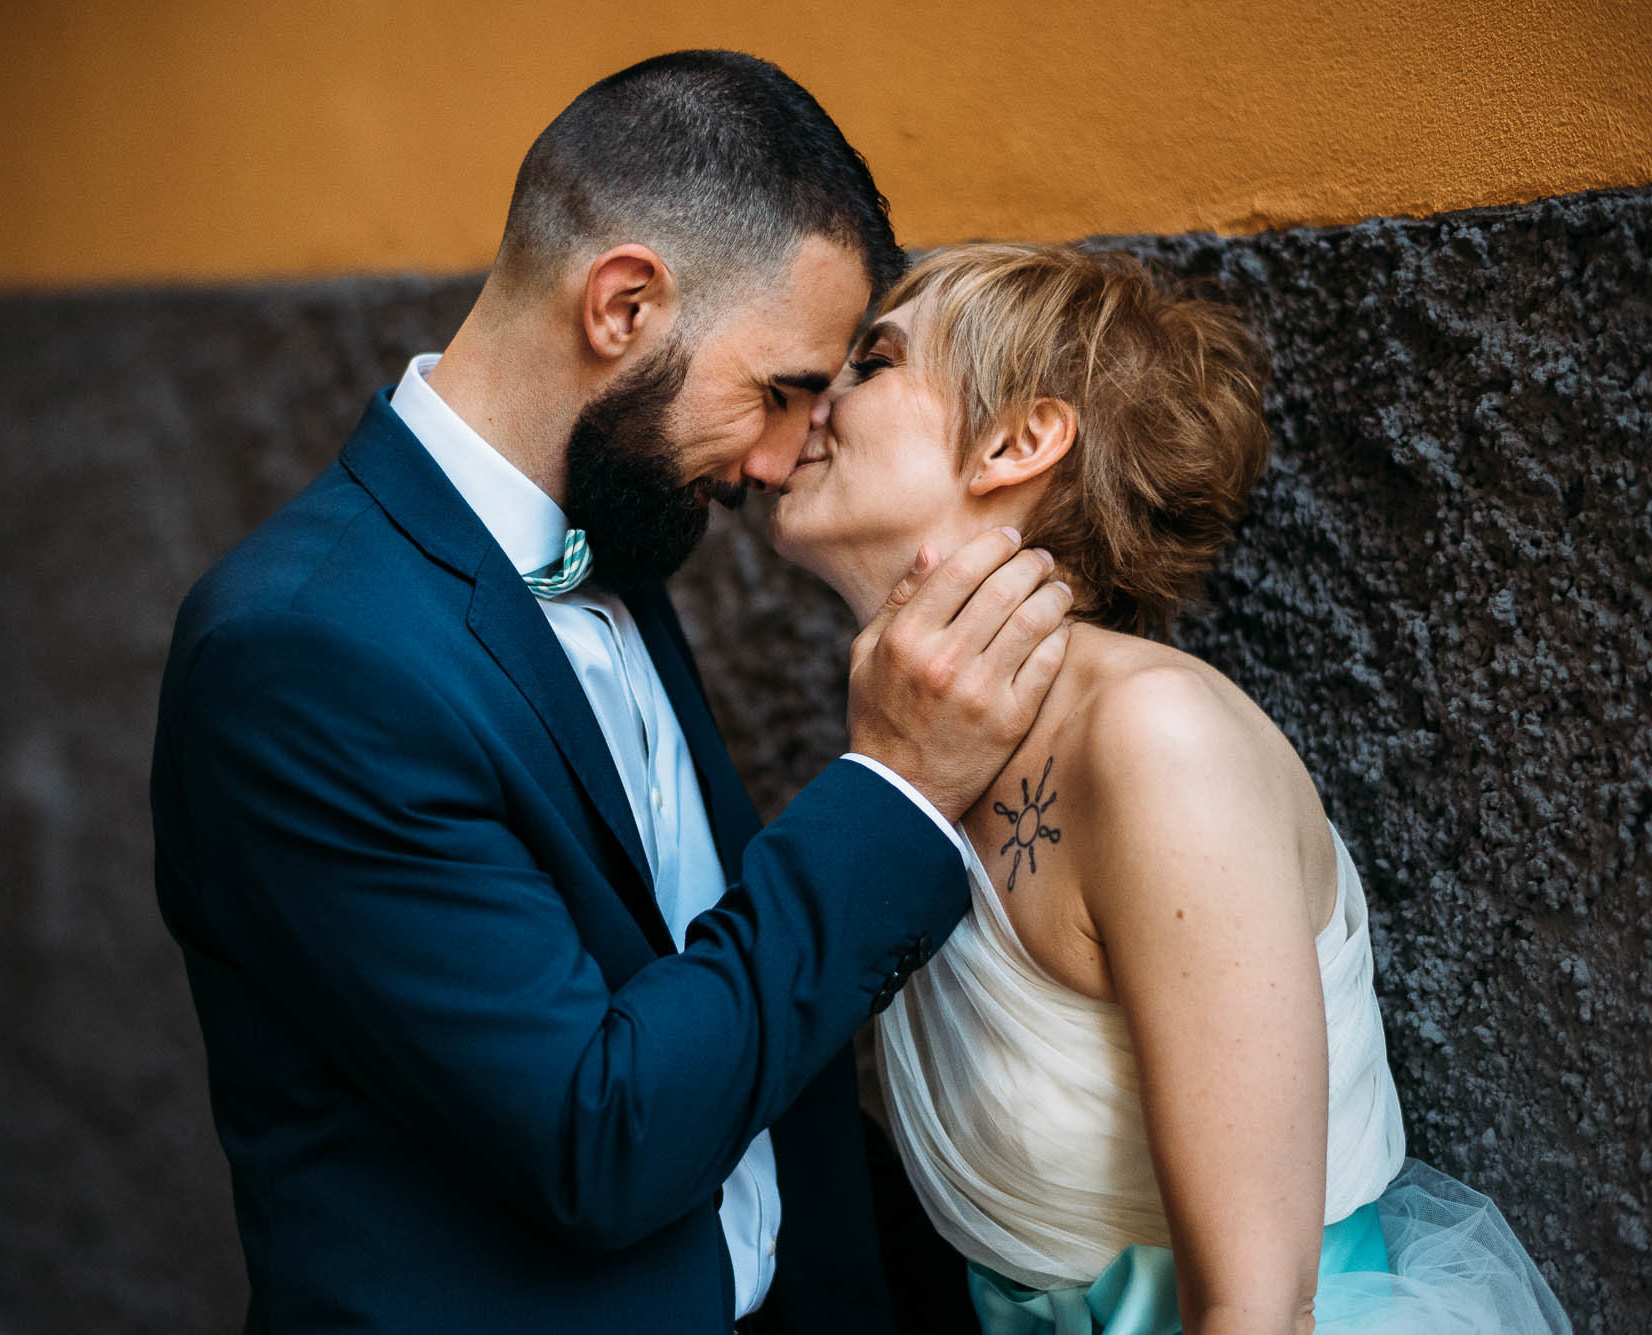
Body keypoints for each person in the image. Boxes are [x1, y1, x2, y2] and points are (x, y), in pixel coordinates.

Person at [150, 52, 1071, 1333]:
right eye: (779, 392)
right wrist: (897, 785)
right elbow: (599, 1135)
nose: (774, 461)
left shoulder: (615, 535)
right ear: (623, 305)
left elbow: (724, 1014)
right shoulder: (302, 655)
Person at [770, 240, 1571, 1334]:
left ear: (1017, 440)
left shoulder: (1153, 740)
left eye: (872, 363)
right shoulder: (919, 745)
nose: (820, 397)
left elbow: (1253, 1308)